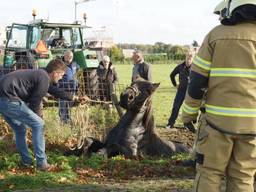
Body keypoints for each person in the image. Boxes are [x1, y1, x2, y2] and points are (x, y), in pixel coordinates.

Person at [182, 1, 256, 191]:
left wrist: (189, 114)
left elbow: (196, 81)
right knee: (243, 177)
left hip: (217, 124)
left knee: (209, 173)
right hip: (253, 128)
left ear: (232, 8)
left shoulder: (216, 35)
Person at [0, 59, 86, 171]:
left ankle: (26, 162)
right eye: (61, 75)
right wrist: (37, 119)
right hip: (9, 100)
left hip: (3, 101)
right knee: (39, 124)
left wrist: (74, 98)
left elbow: (54, 90)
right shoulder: (43, 77)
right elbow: (35, 102)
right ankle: (42, 164)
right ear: (55, 73)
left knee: (20, 129)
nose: (61, 78)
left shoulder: (41, 74)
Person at [166, 52, 194, 130]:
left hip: (190, 92)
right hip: (181, 91)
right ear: (185, 57)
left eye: (191, 57)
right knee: (176, 107)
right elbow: (172, 75)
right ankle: (170, 123)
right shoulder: (180, 66)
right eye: (188, 57)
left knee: (188, 109)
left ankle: (187, 124)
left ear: (193, 58)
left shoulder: (195, 67)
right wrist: (175, 85)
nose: (189, 59)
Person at [58, 50, 80, 123]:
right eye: (68, 56)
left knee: (69, 106)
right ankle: (63, 121)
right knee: (63, 106)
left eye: (71, 56)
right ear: (64, 56)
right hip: (63, 89)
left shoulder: (75, 64)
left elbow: (78, 71)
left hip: (72, 89)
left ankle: (68, 120)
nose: (69, 57)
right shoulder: (60, 64)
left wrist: (77, 83)